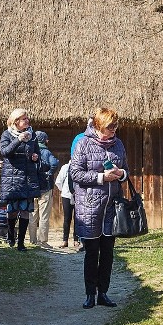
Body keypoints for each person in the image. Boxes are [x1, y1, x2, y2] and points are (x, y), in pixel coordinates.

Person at [70, 107, 128, 309]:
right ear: (98, 125)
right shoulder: (83, 143)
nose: (113, 130)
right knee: (92, 252)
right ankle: (89, 294)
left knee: (108, 253)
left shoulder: (118, 144)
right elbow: (75, 174)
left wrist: (121, 174)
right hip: (90, 207)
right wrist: (101, 177)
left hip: (111, 208)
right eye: (110, 127)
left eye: (115, 126)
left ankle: (103, 292)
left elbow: (126, 171)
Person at [0, 108, 47, 251]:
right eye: (24, 119)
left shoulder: (32, 135)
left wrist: (35, 157)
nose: (27, 120)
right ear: (16, 121)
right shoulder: (7, 134)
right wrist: (18, 140)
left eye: (27, 118)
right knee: (12, 211)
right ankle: (11, 235)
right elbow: (5, 152)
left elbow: (37, 153)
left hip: (27, 178)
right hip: (12, 178)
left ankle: (21, 243)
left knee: (26, 210)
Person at [29, 131, 60, 248]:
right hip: (45, 187)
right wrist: (49, 173)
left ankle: (32, 240)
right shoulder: (46, 152)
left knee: (32, 215)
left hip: (32, 188)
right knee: (44, 216)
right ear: (44, 140)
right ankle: (42, 241)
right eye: (47, 139)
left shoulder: (30, 151)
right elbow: (54, 163)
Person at [54, 160, 80, 249]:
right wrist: (64, 191)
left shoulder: (81, 167)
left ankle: (76, 240)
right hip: (67, 195)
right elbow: (59, 181)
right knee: (67, 218)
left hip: (79, 195)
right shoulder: (65, 167)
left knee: (78, 218)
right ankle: (65, 240)